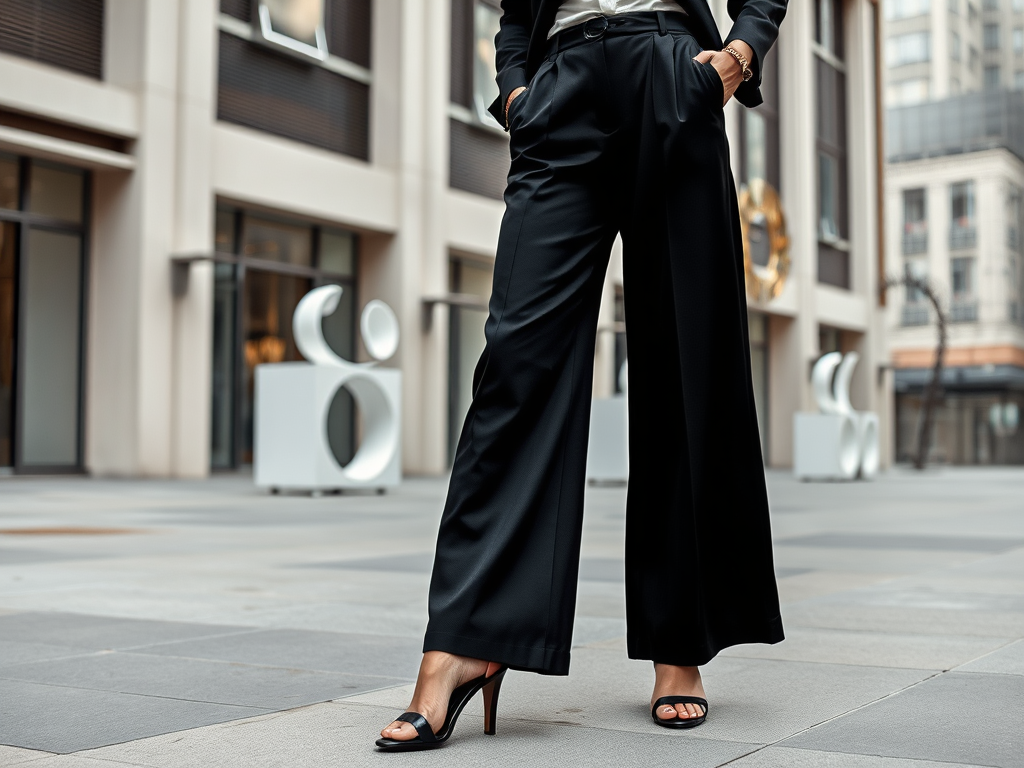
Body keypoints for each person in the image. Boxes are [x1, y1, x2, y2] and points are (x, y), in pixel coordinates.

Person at [377, 0, 788, 751]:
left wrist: (738, 55)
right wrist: (515, 91)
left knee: (682, 369)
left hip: (674, 74)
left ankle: (679, 644)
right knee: (515, 367)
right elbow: (512, 14)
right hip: (559, 89)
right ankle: (464, 643)